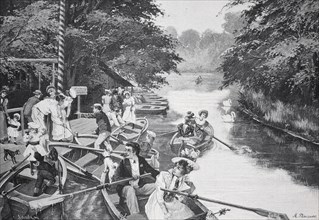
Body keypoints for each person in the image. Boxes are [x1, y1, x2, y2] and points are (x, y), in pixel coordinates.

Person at [145, 149, 199, 220]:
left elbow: (179, 195)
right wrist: (165, 212)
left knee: (188, 215)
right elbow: (159, 197)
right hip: (159, 202)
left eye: (178, 168)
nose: (174, 169)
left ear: (186, 171)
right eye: (175, 166)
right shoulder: (164, 176)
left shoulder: (183, 179)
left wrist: (190, 196)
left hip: (171, 202)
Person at [112, 142, 160, 215]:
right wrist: (129, 179)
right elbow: (116, 178)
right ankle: (135, 215)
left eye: (128, 150)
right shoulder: (123, 162)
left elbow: (151, 171)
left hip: (139, 187)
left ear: (134, 152)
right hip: (126, 188)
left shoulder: (141, 160)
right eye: (125, 150)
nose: (125, 152)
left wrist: (162, 176)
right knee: (130, 190)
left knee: (158, 186)